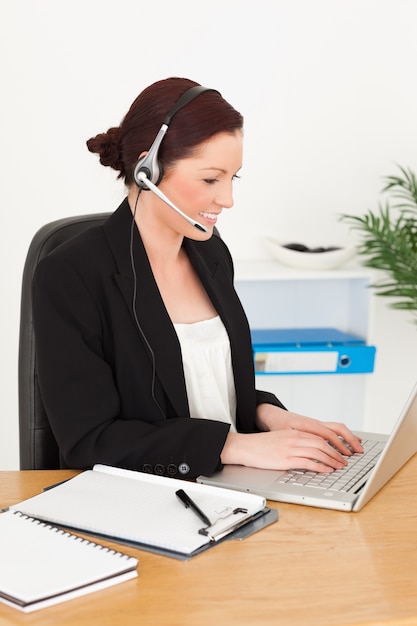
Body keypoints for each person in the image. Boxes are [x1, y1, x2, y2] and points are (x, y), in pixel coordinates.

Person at [33, 76, 363, 478]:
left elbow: (209, 385)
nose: (227, 199)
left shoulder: (211, 254)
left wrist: (269, 415)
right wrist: (236, 444)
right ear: (147, 170)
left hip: (236, 484)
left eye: (232, 178)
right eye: (211, 179)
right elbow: (90, 440)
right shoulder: (71, 274)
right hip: (146, 499)